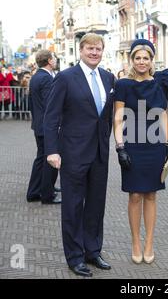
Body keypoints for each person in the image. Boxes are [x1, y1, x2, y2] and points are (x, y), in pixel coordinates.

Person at [44, 33, 116, 277]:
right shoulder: (65, 78)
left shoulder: (108, 77)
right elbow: (51, 116)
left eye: (98, 49)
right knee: (73, 206)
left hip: (99, 153)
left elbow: (106, 116)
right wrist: (52, 150)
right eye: (90, 49)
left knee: (96, 204)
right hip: (72, 153)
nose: (94, 53)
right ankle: (75, 257)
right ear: (81, 50)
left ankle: (93, 251)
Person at [114, 39, 168, 265]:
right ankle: (135, 243)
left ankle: (149, 242)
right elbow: (118, 117)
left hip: (155, 143)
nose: (141, 62)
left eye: (146, 58)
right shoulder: (123, 84)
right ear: (132, 60)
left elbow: (163, 115)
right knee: (135, 195)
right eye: (137, 58)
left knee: (151, 194)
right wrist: (120, 147)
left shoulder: (158, 83)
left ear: (152, 61)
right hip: (131, 143)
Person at [26, 50, 60, 204]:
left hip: (39, 124)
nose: (56, 60)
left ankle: (34, 191)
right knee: (50, 159)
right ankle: (47, 193)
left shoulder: (36, 77)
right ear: (48, 61)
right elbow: (50, 105)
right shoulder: (46, 78)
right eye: (54, 58)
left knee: (41, 159)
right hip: (47, 126)